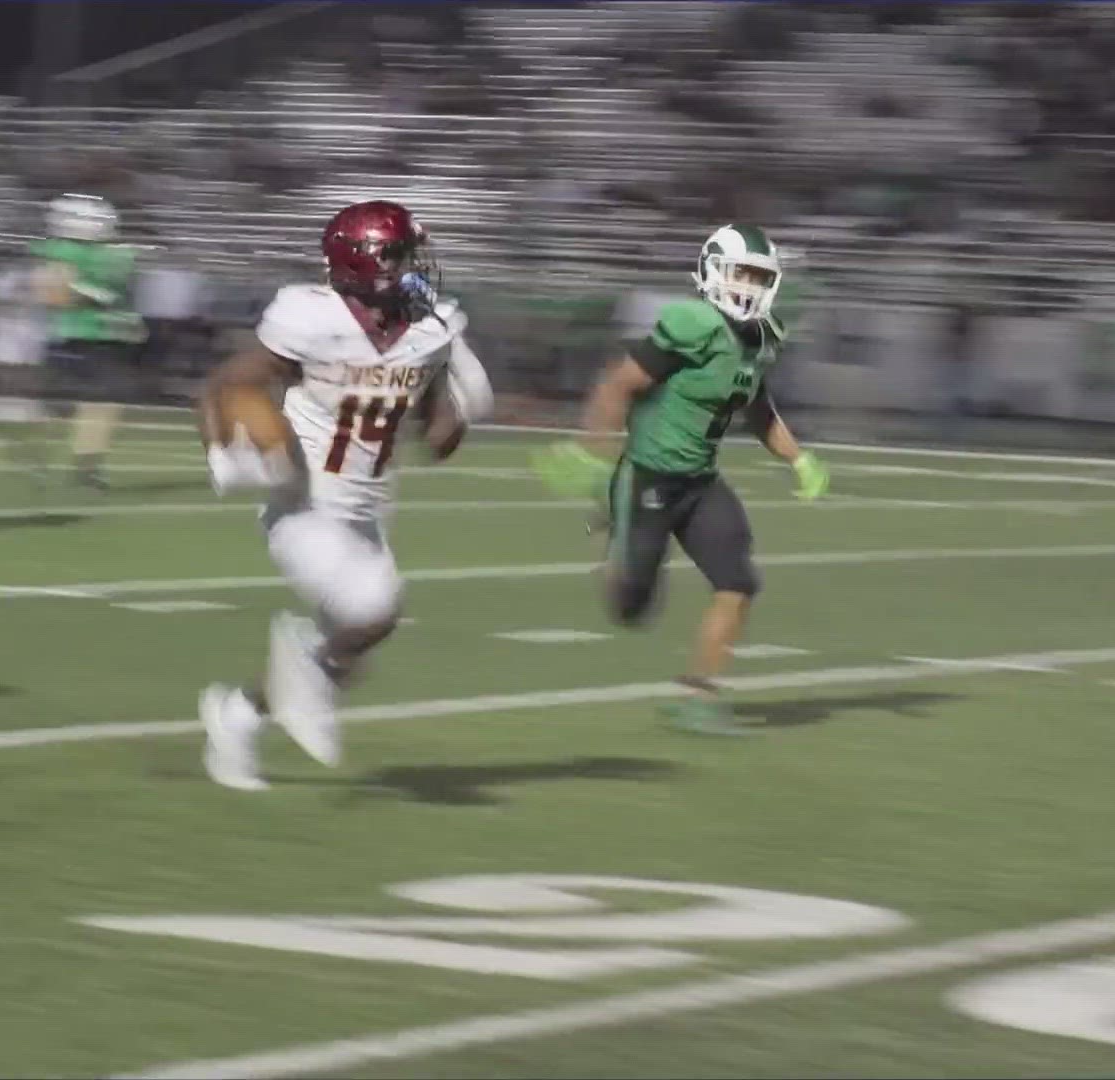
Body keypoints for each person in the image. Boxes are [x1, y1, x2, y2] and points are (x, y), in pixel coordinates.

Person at [194, 200, 494, 790]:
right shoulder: (310, 318)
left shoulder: (428, 331)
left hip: (366, 511)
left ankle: (236, 717)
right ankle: (298, 667)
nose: (415, 266)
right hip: (303, 501)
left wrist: (460, 409)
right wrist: (224, 452)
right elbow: (228, 385)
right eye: (403, 254)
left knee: (357, 645)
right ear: (369, 262)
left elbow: (436, 435)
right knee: (374, 608)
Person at [535, 224, 829, 734]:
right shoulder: (692, 323)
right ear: (713, 270)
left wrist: (799, 460)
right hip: (647, 475)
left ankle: (699, 696)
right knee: (632, 608)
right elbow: (619, 384)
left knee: (738, 581)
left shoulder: (761, 340)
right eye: (742, 274)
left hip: (699, 483)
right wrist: (593, 454)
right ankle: (615, 538)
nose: (750, 288)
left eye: (760, 278)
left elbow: (759, 411)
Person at [30, 193, 148, 490]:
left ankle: (87, 468)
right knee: (80, 406)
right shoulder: (71, 251)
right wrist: (90, 293)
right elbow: (54, 296)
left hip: (102, 336)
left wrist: (86, 292)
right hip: (81, 335)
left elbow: (56, 294)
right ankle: (73, 465)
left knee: (102, 406)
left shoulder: (116, 254)